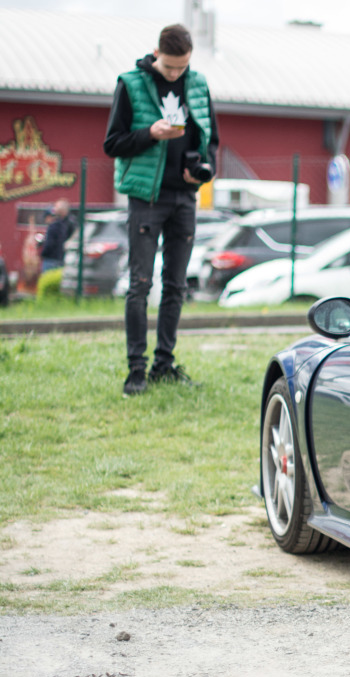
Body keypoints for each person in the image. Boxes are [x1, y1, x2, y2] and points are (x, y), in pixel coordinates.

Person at [103, 23, 218, 397]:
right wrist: (149, 134)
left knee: (177, 286)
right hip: (145, 199)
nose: (175, 74)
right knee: (139, 285)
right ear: (156, 54)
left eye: (182, 67)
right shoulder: (130, 83)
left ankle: (163, 364)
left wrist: (204, 168)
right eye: (170, 67)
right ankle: (136, 370)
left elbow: (212, 140)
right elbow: (112, 144)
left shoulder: (197, 83)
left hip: (185, 197)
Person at [40, 200, 76, 273]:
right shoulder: (69, 224)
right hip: (61, 258)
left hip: (51, 259)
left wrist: (43, 254)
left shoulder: (54, 226)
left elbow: (49, 244)